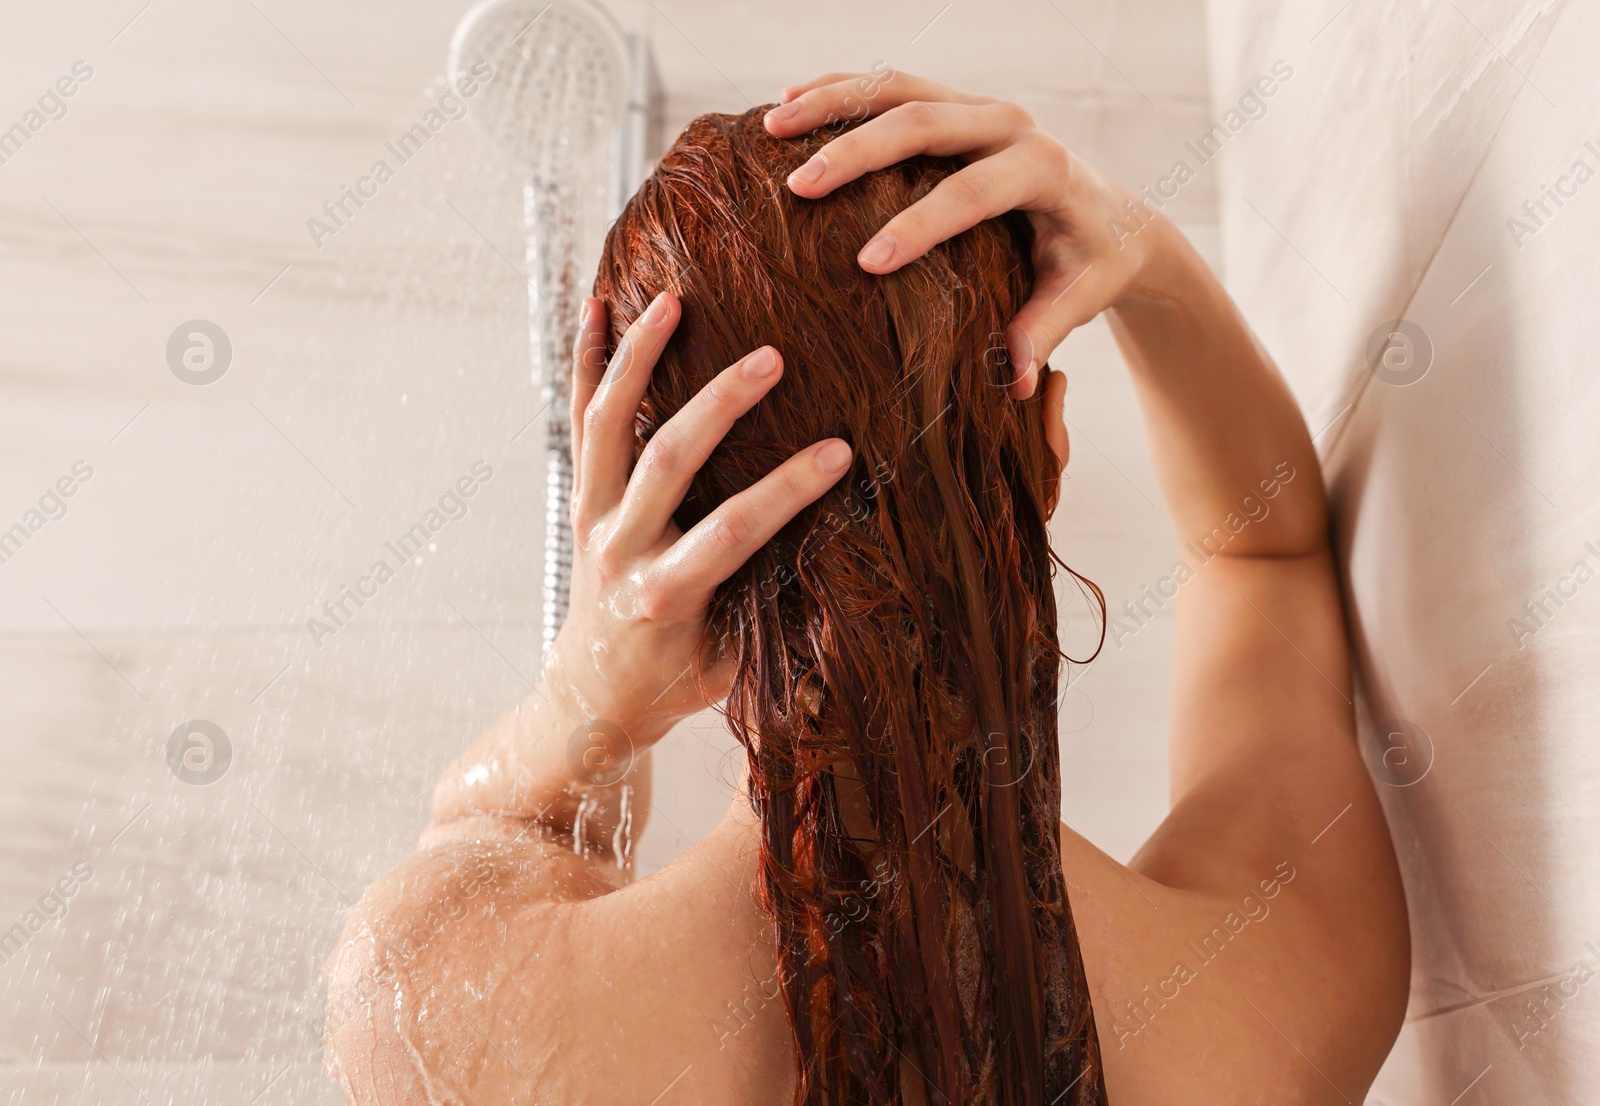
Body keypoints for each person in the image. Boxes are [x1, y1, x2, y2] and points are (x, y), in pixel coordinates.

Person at [325, 72, 1409, 1106]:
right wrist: (1148, 254)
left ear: (667, 545)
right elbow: (1262, 555)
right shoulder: (1272, 985)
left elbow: (489, 838)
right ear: (1048, 443)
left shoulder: (444, 1011)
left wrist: (585, 699)